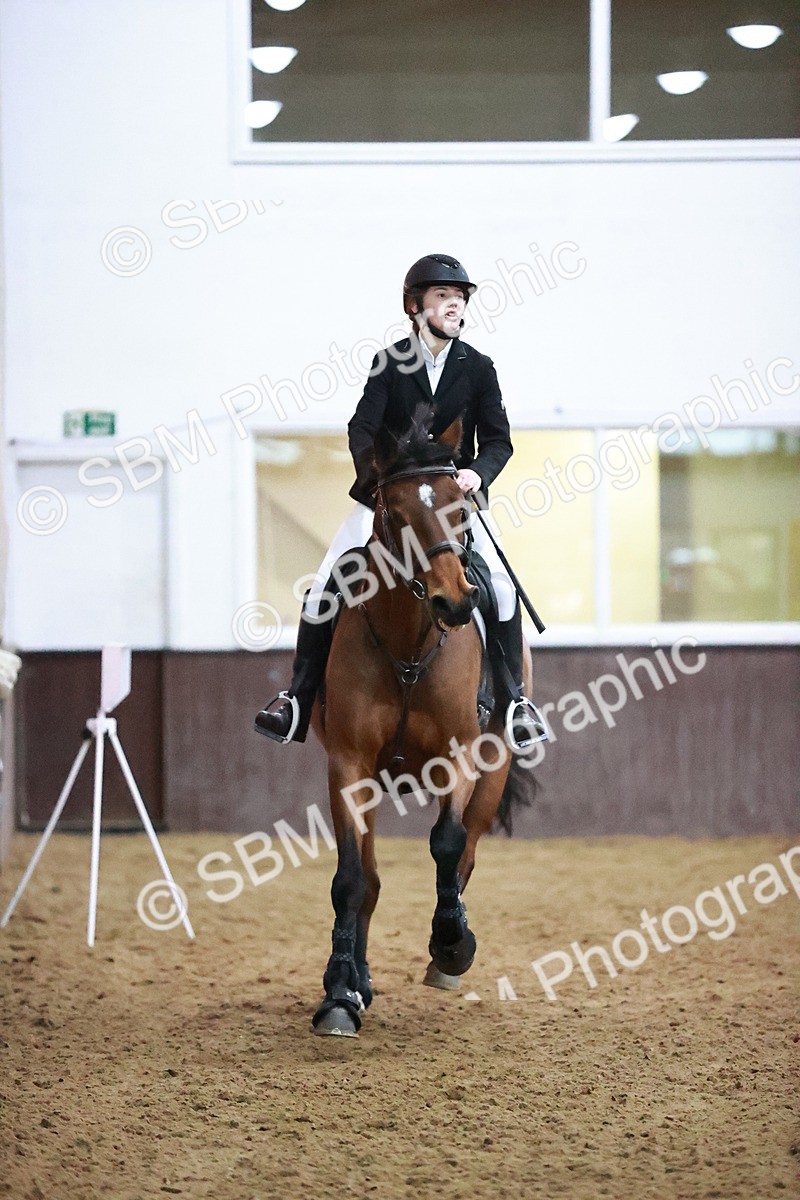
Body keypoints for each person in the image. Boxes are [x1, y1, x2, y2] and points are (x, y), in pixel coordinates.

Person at [255, 253, 546, 750]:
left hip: (454, 501)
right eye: (443, 297)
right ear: (415, 305)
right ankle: (298, 698)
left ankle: (515, 701)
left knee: (498, 585)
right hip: (388, 498)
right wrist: (377, 483)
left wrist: (477, 473)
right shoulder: (389, 363)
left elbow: (499, 441)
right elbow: (362, 429)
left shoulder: (477, 368)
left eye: (460, 298)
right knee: (325, 582)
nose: (455, 305)